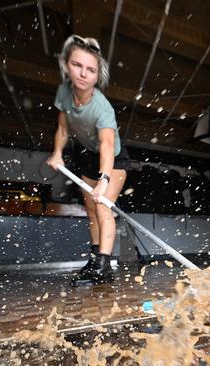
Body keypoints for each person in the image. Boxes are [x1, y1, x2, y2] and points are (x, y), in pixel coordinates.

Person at [46, 35, 129, 286]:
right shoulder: (63, 92)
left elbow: (106, 145)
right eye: (77, 65)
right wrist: (58, 152)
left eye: (90, 70)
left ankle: (104, 265)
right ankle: (95, 261)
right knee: (91, 212)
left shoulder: (103, 109)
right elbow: (62, 129)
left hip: (113, 160)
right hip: (85, 156)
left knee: (104, 208)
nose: (83, 74)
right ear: (66, 65)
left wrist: (104, 179)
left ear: (97, 76)